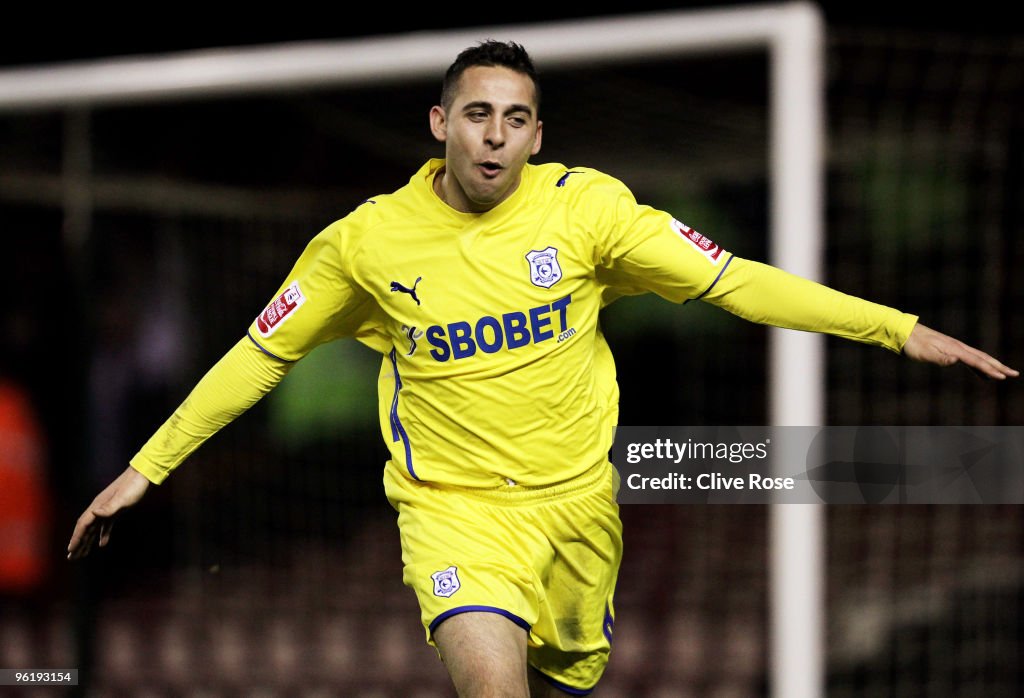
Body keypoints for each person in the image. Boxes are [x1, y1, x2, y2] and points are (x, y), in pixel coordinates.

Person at [67, 40, 1018, 696]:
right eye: (476, 113)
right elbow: (258, 354)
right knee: (490, 683)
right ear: (439, 121)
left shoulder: (589, 214)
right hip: (453, 512)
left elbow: (736, 282)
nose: (493, 135)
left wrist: (897, 330)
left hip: (575, 508)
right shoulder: (363, 243)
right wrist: (145, 468)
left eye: (514, 119)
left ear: (536, 135)